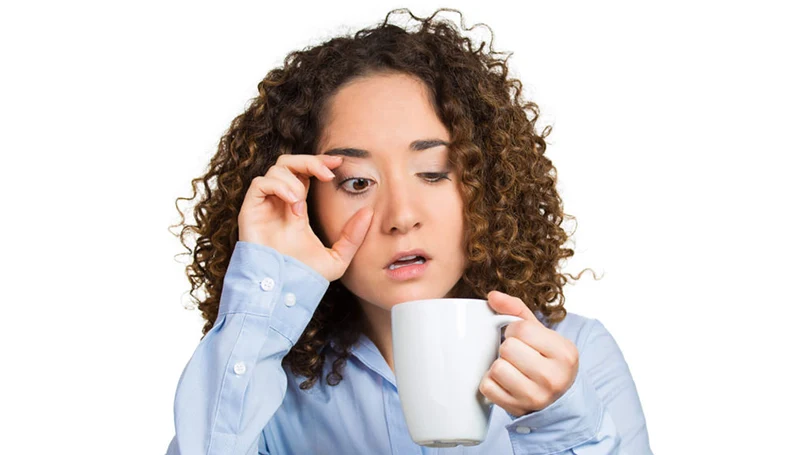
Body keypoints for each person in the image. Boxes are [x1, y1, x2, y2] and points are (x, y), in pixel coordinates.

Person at [166, 8, 652, 455]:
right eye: (358, 183)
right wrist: (266, 287)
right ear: (312, 206)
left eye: (434, 172)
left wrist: (560, 422)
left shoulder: (575, 356)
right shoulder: (263, 377)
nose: (401, 216)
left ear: (487, 184)